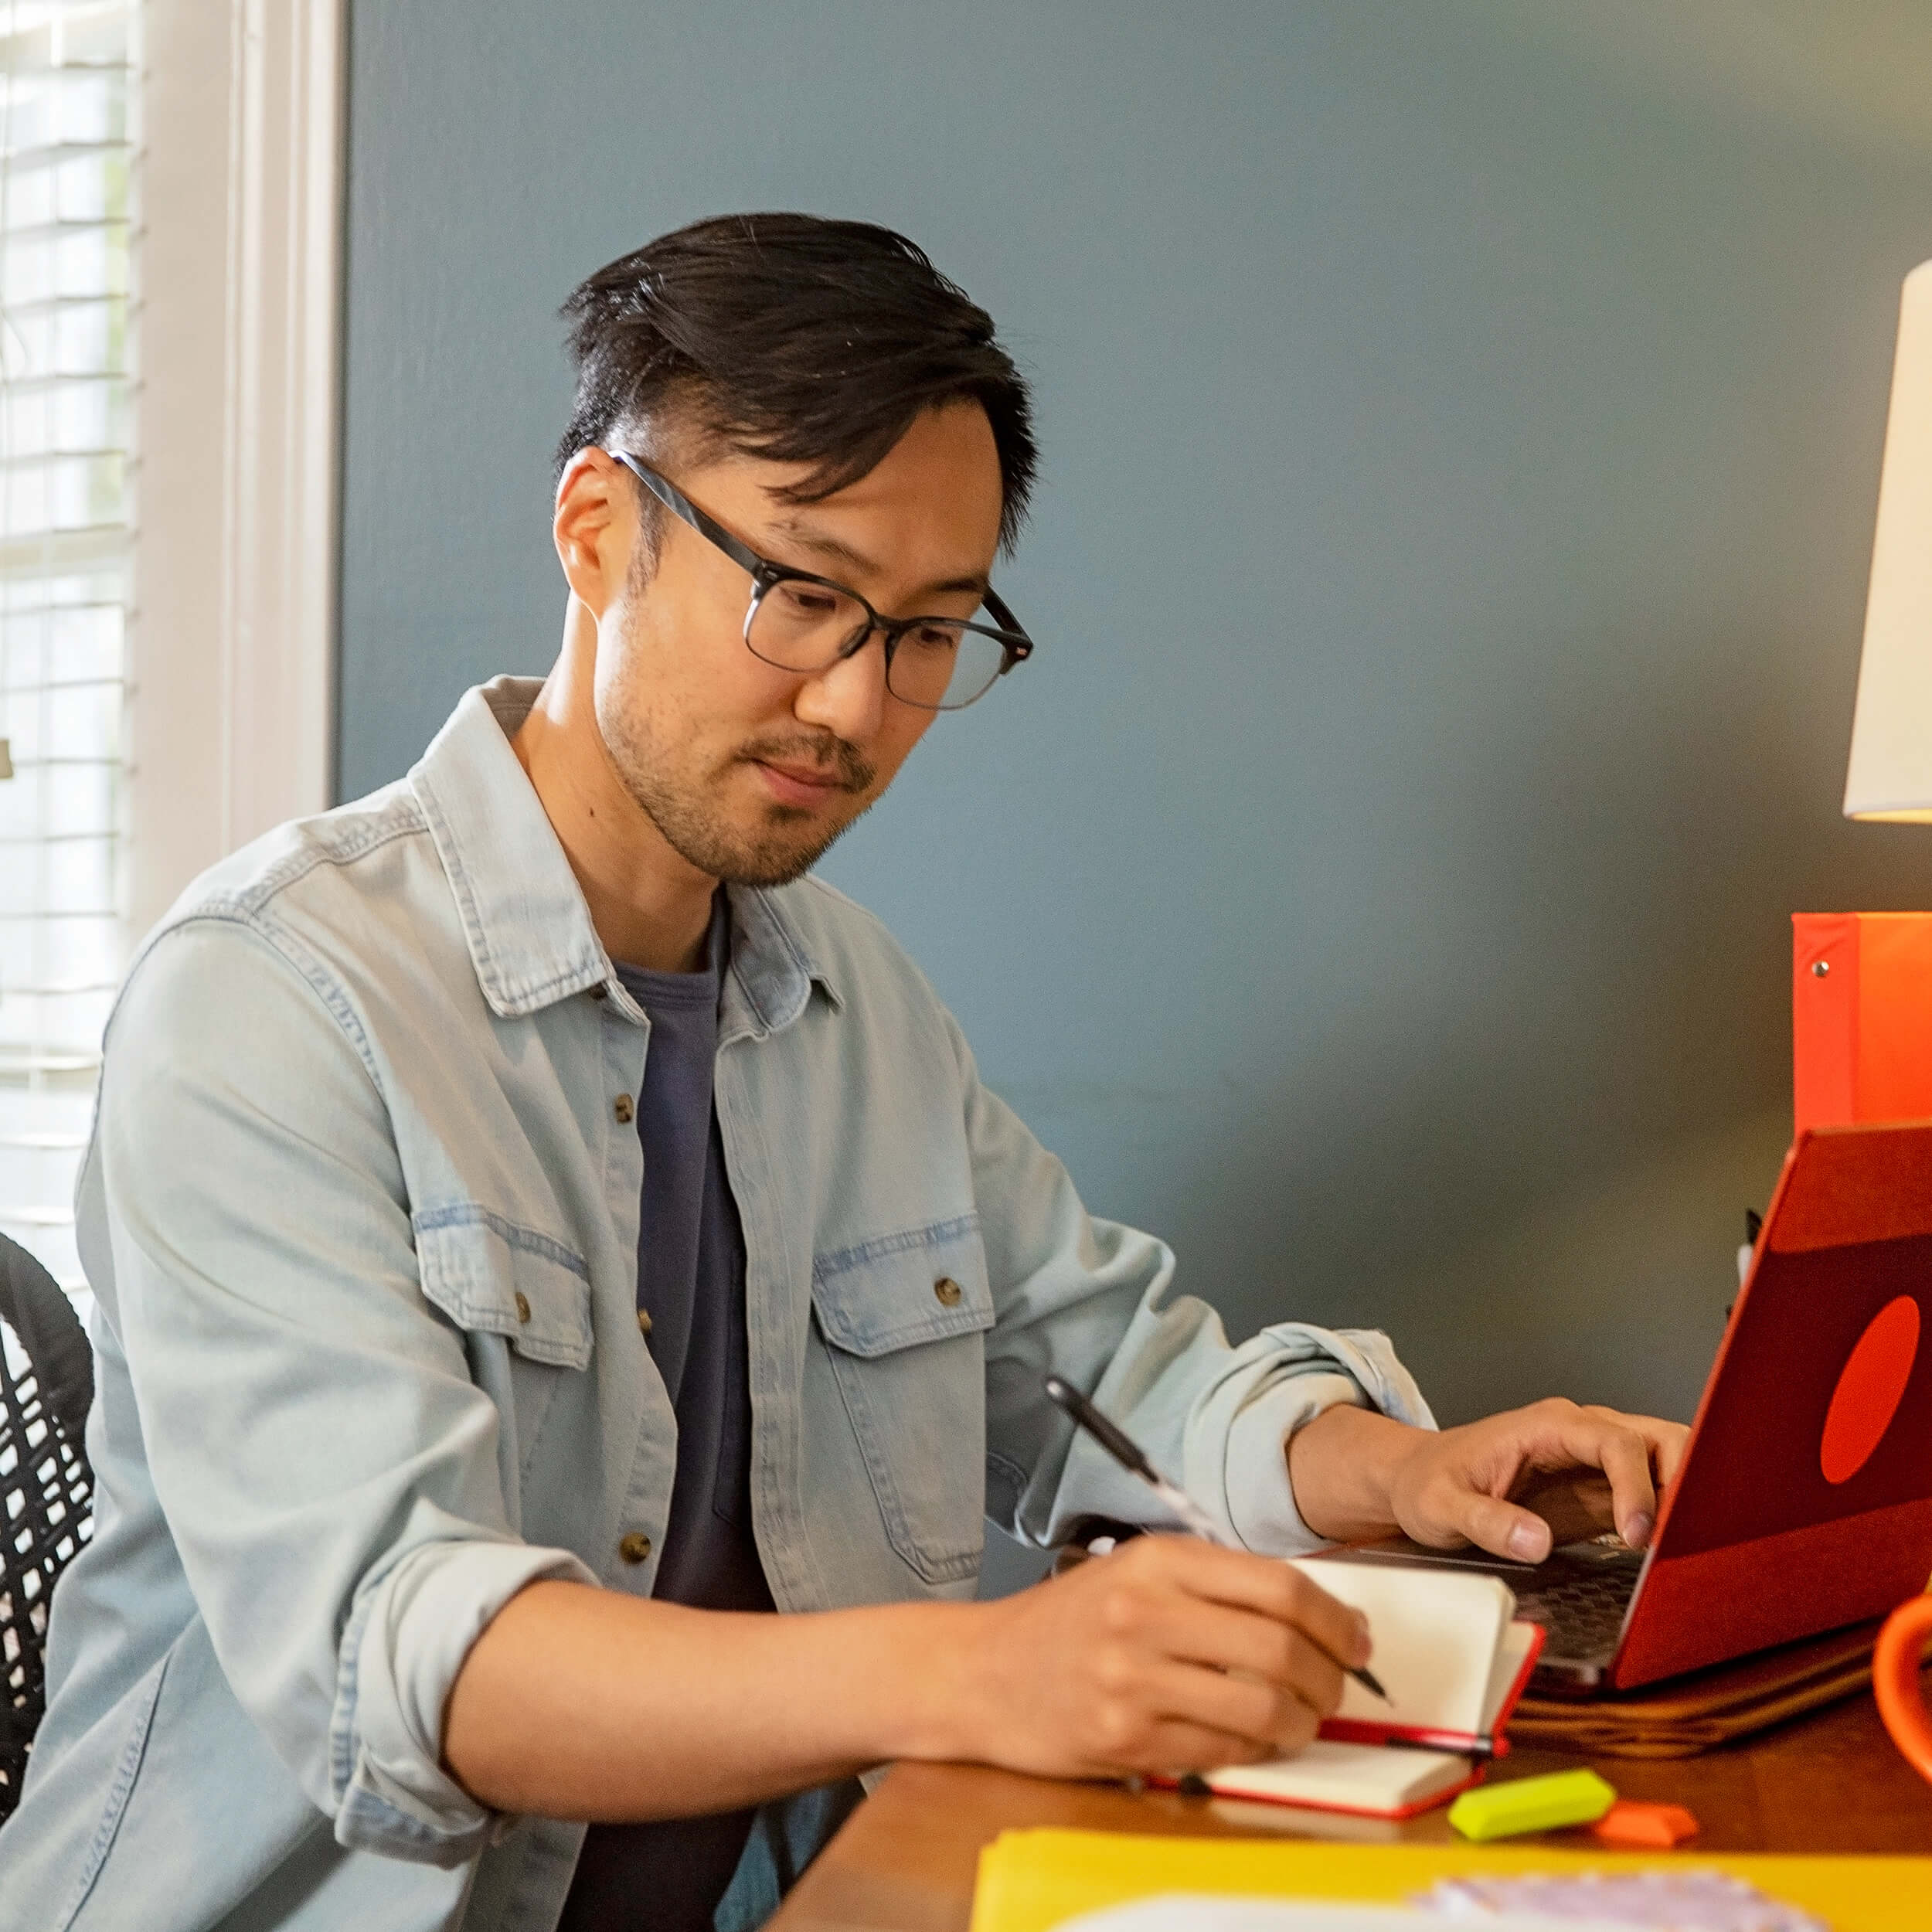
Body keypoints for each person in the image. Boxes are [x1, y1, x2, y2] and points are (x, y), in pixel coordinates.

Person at [0, 214, 1687, 1932]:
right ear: (597, 531)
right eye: (802, 594)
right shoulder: (274, 995)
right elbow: (411, 1654)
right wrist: (972, 1672)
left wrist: (1409, 1472)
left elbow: (1117, 1375)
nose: (856, 702)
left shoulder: (851, 1005)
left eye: (927, 632)